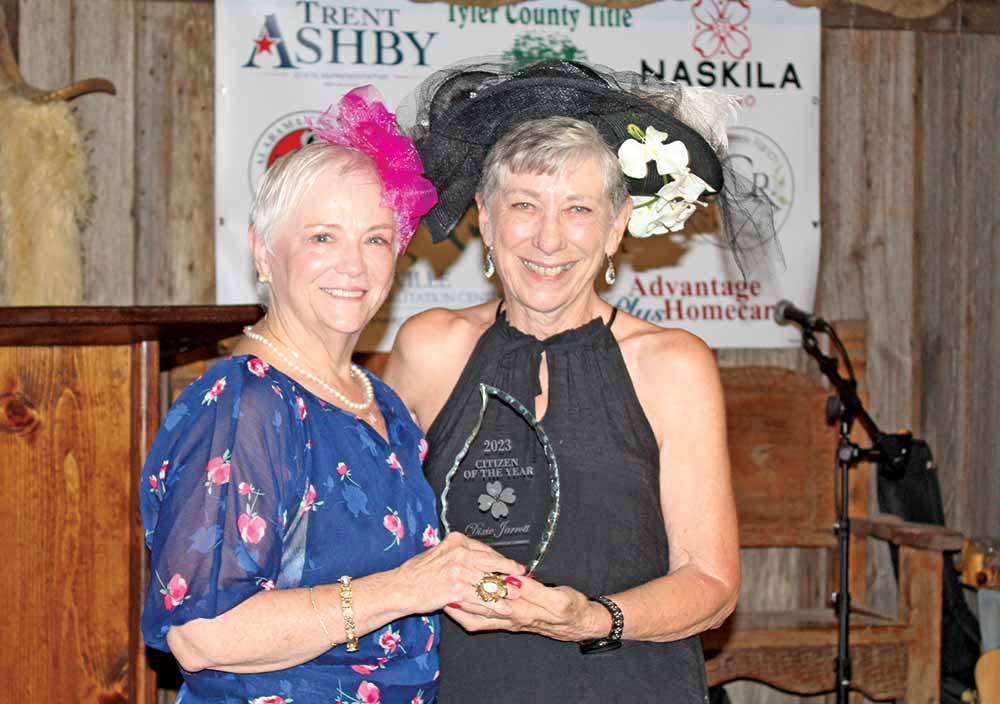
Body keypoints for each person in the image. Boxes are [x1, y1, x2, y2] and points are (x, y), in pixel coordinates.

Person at [384, 60, 776, 702]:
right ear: (485, 216)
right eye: (524, 205)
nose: (548, 238)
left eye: (578, 209)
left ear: (616, 226)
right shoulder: (430, 348)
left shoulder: (672, 365)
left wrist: (591, 619)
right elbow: (376, 537)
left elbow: (711, 584)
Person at [138, 86, 523, 704]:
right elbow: (203, 635)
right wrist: (408, 588)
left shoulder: (380, 401)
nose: (354, 264)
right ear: (264, 252)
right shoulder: (245, 404)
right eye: (323, 237)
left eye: (375, 239)